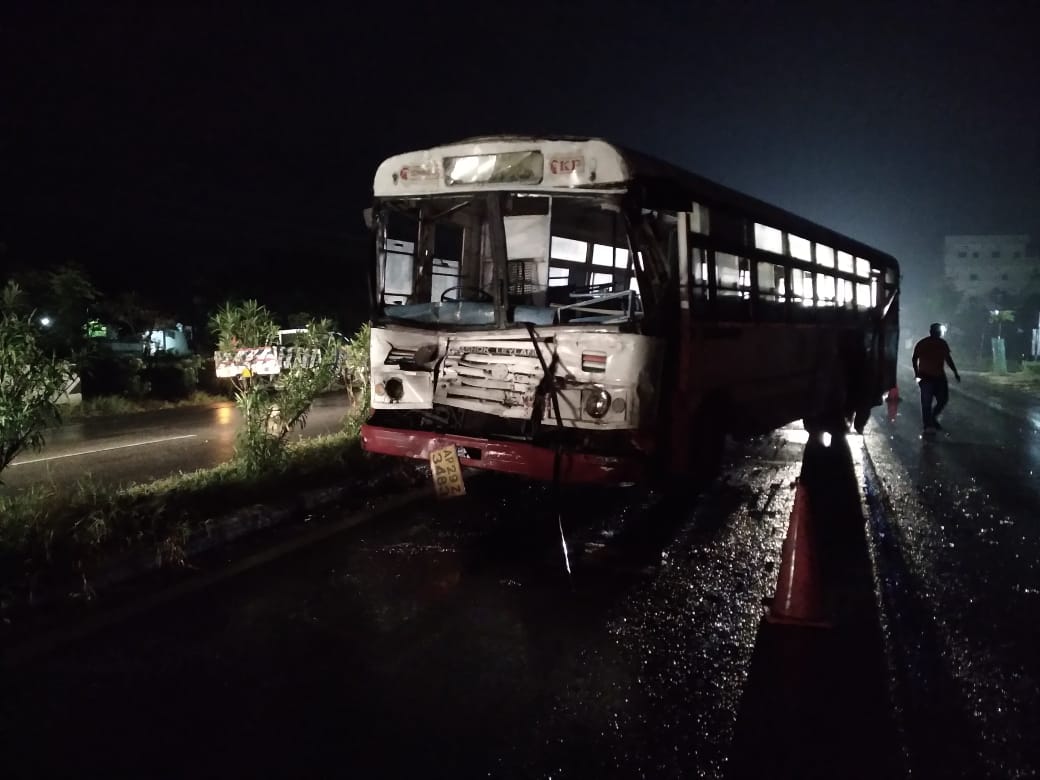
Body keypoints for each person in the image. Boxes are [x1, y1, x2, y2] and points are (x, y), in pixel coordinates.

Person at [912, 323, 961, 433]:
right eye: (938, 331)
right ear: (933, 332)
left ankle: (931, 419)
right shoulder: (925, 343)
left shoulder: (940, 344)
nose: (939, 333)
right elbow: (915, 358)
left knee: (942, 399)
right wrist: (917, 372)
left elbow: (948, 359)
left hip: (938, 376)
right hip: (926, 376)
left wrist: (955, 372)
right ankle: (928, 424)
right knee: (927, 402)